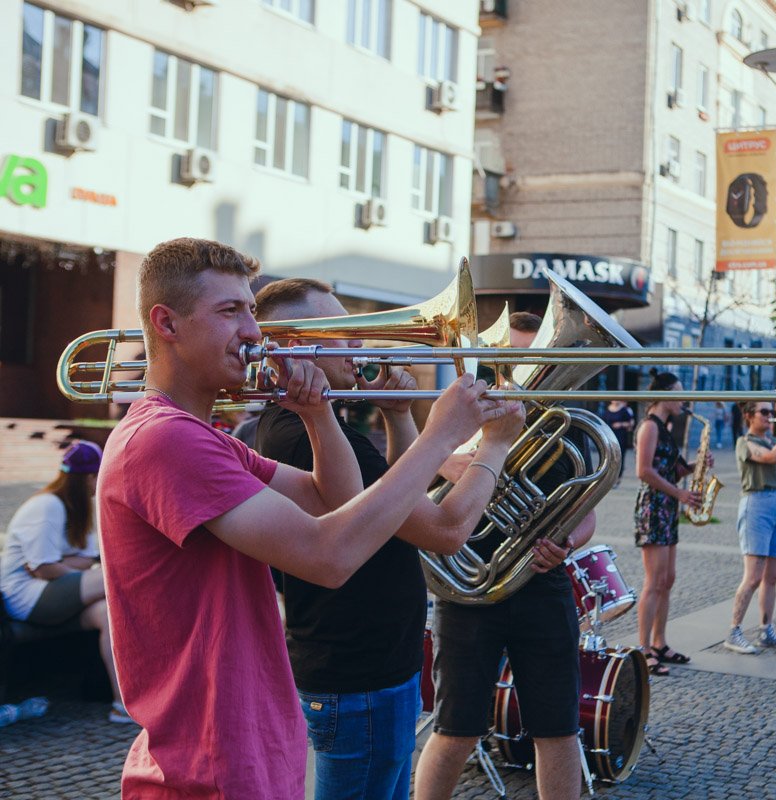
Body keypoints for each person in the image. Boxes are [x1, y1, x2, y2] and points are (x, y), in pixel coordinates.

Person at [97, 237, 520, 798]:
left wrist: (320, 414)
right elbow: (331, 556)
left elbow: (329, 502)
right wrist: (445, 432)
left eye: (251, 310)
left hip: (248, 743)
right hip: (208, 763)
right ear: (166, 324)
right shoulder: (165, 440)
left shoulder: (204, 438)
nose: (253, 332)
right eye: (230, 311)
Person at [252, 278, 522, 800]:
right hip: (360, 678)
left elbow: (394, 503)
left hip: (370, 672)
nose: (359, 341)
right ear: (290, 347)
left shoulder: (309, 428)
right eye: (339, 331)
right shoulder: (303, 435)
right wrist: (494, 446)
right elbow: (445, 529)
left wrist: (398, 415)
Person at [416, 313, 598, 800]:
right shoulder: (461, 414)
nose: (524, 372)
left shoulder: (565, 424)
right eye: (513, 361)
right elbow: (413, 476)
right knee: (455, 729)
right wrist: (445, 461)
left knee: (558, 728)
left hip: (542, 585)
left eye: (536, 360)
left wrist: (568, 542)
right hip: (467, 590)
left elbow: (586, 512)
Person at [0, 441, 129, 723]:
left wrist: (66, 569)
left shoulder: (82, 510)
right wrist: (73, 573)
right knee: (119, 575)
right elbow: (44, 569)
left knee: (107, 614)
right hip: (25, 597)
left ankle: (122, 705)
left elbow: (82, 559)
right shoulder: (47, 505)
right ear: (90, 478)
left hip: (51, 590)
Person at [723, 402, 776, 654]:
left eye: (771, 412)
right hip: (757, 504)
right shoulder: (745, 442)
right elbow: (773, 457)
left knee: (772, 576)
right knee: (753, 576)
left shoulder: (774, 440)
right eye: (764, 412)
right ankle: (734, 630)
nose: (770, 416)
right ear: (749, 416)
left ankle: (766, 630)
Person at [633, 372, 705, 675]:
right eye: (678, 392)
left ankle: (660, 642)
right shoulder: (649, 426)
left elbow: (670, 470)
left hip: (667, 506)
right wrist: (680, 493)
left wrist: (695, 465)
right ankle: (644, 649)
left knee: (667, 579)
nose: (683, 398)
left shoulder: (665, 427)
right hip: (654, 506)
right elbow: (644, 471)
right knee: (653, 581)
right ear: (663, 394)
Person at [600, 399, 636, 480]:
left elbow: (631, 423)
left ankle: (618, 476)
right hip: (609, 437)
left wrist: (621, 424)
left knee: (620, 456)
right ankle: (608, 475)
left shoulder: (624, 410)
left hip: (621, 436)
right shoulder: (607, 410)